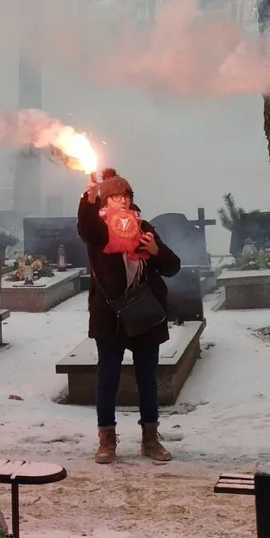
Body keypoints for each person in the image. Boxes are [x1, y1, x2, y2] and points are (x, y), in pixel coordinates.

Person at [76, 168, 181, 464]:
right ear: (106, 201)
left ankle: (150, 439)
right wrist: (89, 198)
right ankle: (107, 440)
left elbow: (173, 267)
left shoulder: (144, 226)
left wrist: (156, 250)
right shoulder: (99, 229)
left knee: (147, 378)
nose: (120, 201)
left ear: (131, 199)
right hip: (110, 316)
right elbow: (85, 228)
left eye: (124, 196)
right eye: (113, 197)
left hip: (146, 314)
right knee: (107, 377)